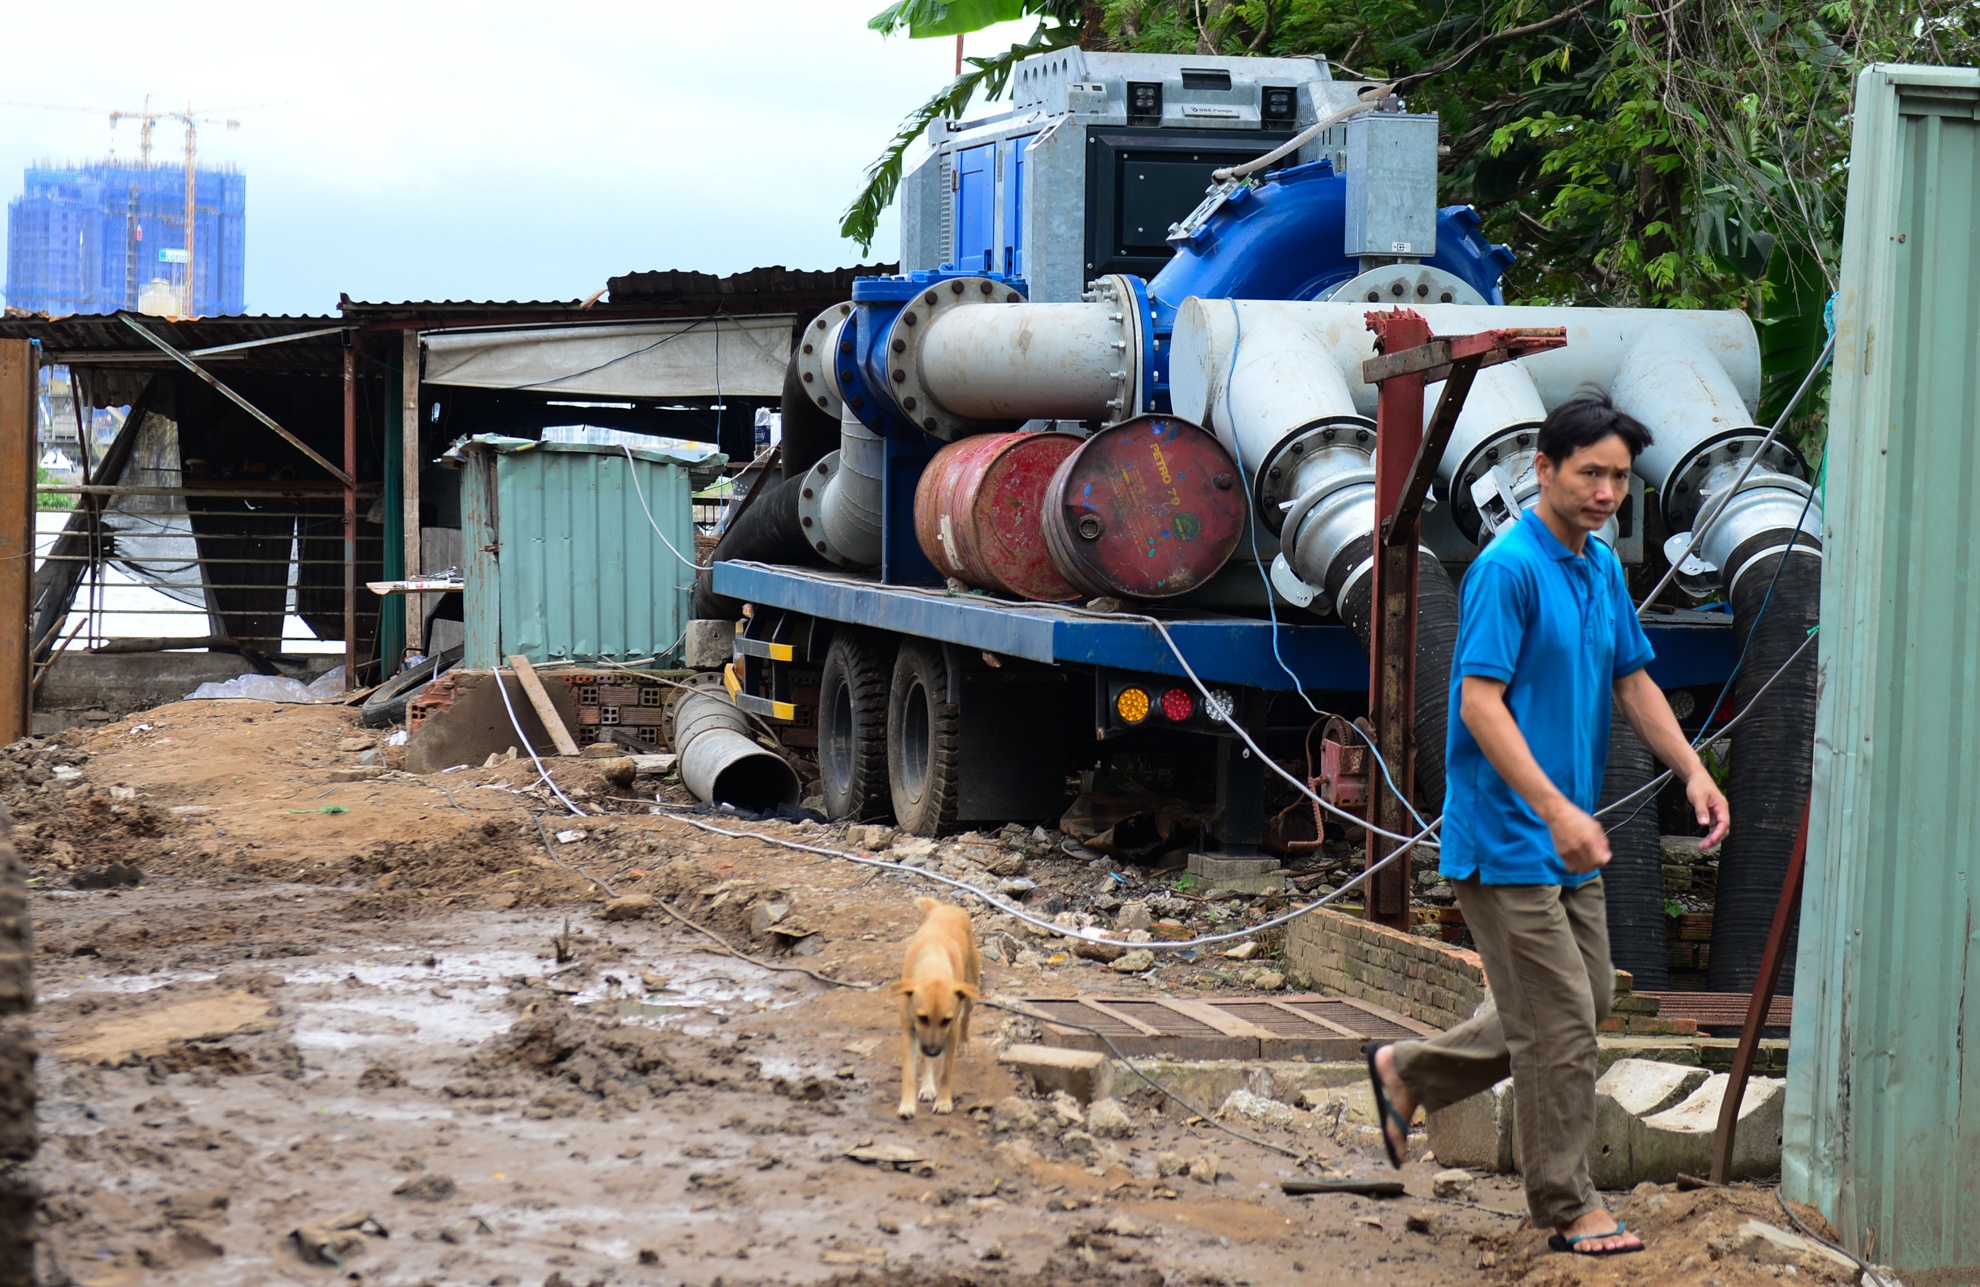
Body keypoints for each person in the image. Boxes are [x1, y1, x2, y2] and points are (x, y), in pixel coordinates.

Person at [1363, 392, 1730, 1257]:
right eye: (1590, 473)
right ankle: (1567, 1204)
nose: (1607, 492)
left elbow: (1633, 679)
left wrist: (1693, 768)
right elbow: (1479, 705)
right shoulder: (1508, 569)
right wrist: (1557, 808)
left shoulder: (1599, 566)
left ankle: (1408, 1072)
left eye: (1620, 478)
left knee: (1585, 998)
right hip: (1506, 837)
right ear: (1543, 468)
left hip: (1568, 839)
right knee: (1562, 1021)